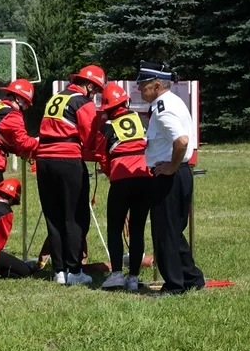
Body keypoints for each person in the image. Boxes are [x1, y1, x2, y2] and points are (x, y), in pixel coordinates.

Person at [137, 61, 205, 295]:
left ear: (156, 85)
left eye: (142, 84)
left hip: (170, 176)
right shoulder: (173, 102)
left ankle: (174, 285)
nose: (139, 89)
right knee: (173, 230)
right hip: (180, 172)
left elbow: (181, 141)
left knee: (164, 232)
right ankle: (192, 278)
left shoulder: (163, 108)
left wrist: (170, 167)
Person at [36, 65, 106, 286]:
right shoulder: (82, 102)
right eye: (95, 91)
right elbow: (90, 137)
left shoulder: (55, 99)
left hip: (44, 161)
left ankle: (59, 271)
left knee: (53, 216)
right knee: (75, 216)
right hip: (67, 160)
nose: (94, 96)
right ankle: (75, 270)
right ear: (89, 85)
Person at [95, 82, 151, 292]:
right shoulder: (143, 119)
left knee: (115, 228)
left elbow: (102, 157)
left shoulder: (106, 127)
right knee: (137, 229)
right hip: (144, 177)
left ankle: (117, 273)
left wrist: (113, 174)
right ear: (125, 102)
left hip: (121, 180)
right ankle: (134, 278)